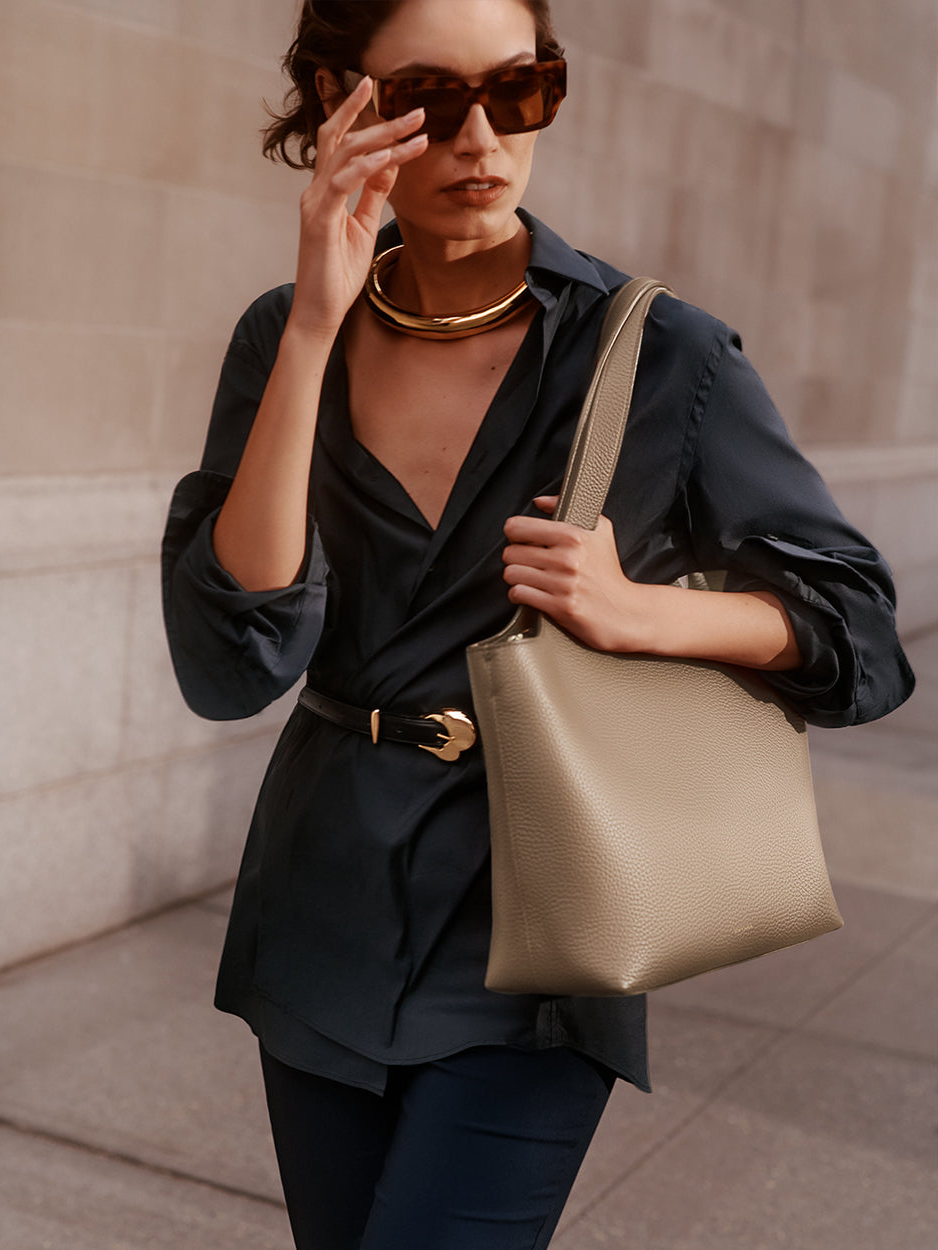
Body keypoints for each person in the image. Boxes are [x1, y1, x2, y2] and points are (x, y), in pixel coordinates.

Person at [161, 2, 915, 1246]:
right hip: (321, 913)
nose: (481, 137)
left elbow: (861, 632)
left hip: (541, 920)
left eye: (518, 90)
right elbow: (231, 657)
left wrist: (641, 617)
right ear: (343, 101)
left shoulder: (664, 352)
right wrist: (309, 325)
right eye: (428, 97)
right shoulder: (283, 333)